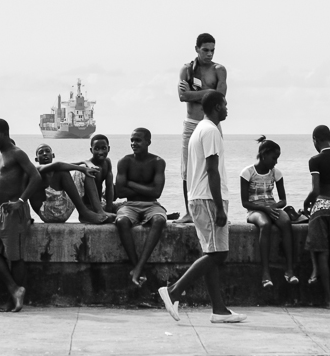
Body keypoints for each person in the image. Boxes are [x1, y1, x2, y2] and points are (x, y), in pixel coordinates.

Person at [158, 91, 246, 324]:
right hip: (208, 198)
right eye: (225, 104)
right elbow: (212, 170)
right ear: (217, 106)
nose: (227, 108)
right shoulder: (211, 131)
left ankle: (219, 309)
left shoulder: (200, 129)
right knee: (219, 253)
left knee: (212, 253)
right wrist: (219, 207)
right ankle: (174, 291)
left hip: (199, 197)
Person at [0, 119, 41, 313]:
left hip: (14, 212)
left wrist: (20, 201)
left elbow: (35, 177)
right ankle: (15, 289)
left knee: (15, 258)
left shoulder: (17, 153)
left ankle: (12, 300)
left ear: (5, 134)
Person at [177, 33, 227, 223]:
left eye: (212, 50)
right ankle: (189, 212)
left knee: (215, 167)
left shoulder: (219, 70)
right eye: (205, 50)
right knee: (187, 169)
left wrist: (194, 93)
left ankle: (218, 209)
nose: (209, 54)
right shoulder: (187, 70)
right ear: (196, 49)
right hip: (191, 123)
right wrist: (210, 93)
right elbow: (183, 97)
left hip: (213, 125)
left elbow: (220, 98)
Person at [241, 136, 297, 288]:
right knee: (264, 225)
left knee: (285, 222)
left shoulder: (276, 173)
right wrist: (264, 208)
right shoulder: (247, 173)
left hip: (271, 207)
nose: (275, 162)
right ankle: (265, 274)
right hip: (255, 210)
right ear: (264, 155)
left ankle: (290, 270)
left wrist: (274, 206)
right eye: (274, 158)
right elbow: (245, 202)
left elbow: (283, 200)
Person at [114, 128, 167, 287]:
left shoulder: (157, 162)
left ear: (148, 142)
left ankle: (138, 268)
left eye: (137, 140)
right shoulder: (125, 162)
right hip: (130, 205)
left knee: (159, 220)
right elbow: (120, 191)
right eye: (132, 140)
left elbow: (157, 192)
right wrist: (146, 189)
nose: (133, 143)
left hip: (152, 205)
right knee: (122, 221)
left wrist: (130, 183)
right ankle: (137, 267)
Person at [29, 143, 106, 223]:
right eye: (41, 152)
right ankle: (84, 212)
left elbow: (64, 165)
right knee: (64, 172)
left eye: (47, 151)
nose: (45, 154)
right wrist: (82, 168)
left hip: (64, 209)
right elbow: (58, 165)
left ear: (53, 155)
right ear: (36, 159)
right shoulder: (36, 170)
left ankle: (99, 210)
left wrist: (84, 163)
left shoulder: (57, 168)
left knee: (85, 172)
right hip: (48, 214)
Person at [302, 125, 330, 308]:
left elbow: (316, 190)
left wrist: (306, 204)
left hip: (323, 207)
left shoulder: (315, 160)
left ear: (315, 140)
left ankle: (328, 299)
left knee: (322, 253)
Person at [77, 134, 118, 219]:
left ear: (108, 149)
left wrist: (109, 206)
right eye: (96, 149)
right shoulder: (90, 167)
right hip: (89, 206)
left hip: (101, 202)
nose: (100, 152)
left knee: (123, 208)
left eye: (103, 148)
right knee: (112, 217)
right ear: (91, 150)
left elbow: (109, 186)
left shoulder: (107, 162)